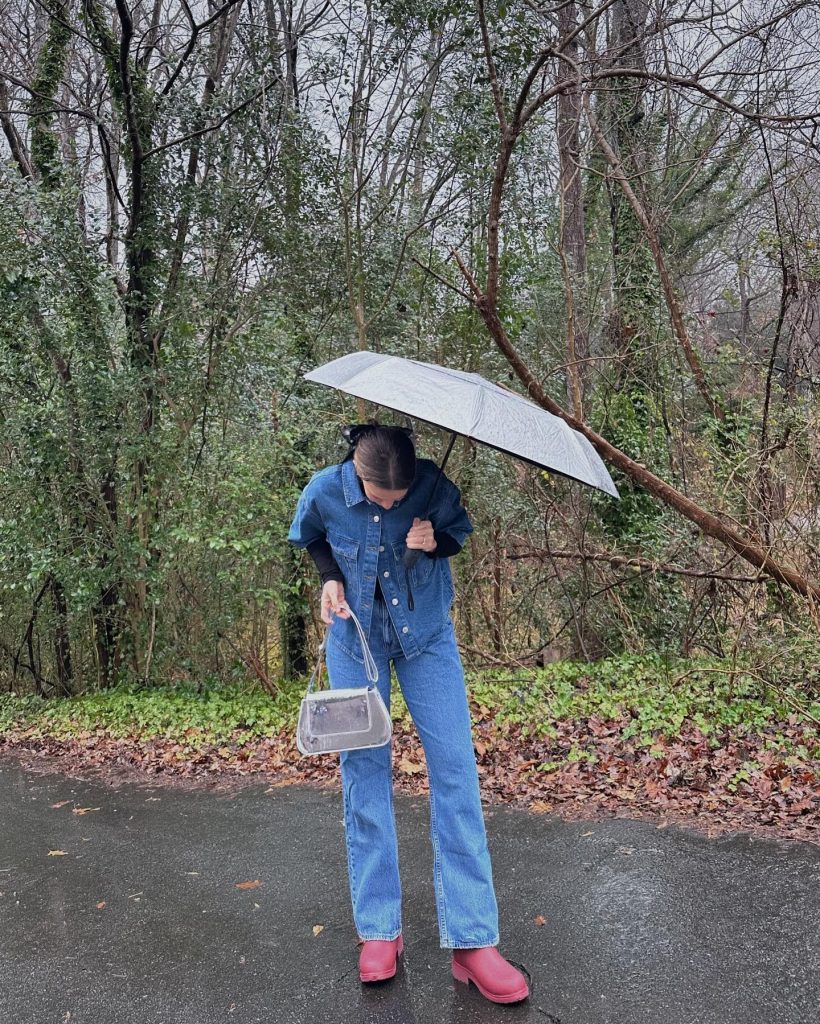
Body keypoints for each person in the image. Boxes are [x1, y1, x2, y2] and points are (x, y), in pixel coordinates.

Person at [287, 422, 530, 1004]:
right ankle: (378, 930)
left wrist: (433, 541)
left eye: (401, 498)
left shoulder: (430, 485)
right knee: (364, 773)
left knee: (455, 771)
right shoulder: (324, 488)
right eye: (383, 497)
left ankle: (473, 941)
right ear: (356, 470)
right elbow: (313, 536)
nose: (394, 504)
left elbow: (458, 532)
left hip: (426, 641)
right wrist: (329, 581)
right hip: (355, 643)